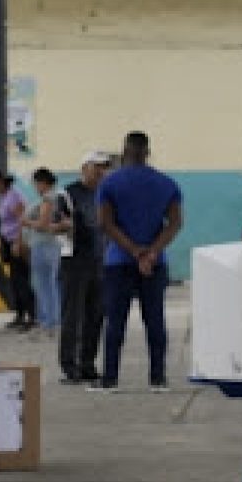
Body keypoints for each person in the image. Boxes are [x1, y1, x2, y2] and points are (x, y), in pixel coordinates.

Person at [96, 131, 183, 393]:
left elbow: (105, 224)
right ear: (147, 152)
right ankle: (157, 378)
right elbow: (175, 223)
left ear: (124, 152)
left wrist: (134, 250)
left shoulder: (110, 184)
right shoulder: (167, 184)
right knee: (155, 319)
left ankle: (110, 379)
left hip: (119, 261)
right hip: (154, 264)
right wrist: (152, 252)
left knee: (115, 321)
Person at [55, 150, 110, 384]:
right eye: (96, 166)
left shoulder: (106, 193)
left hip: (100, 261)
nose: (101, 171)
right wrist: (66, 225)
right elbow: (56, 222)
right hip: (74, 261)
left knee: (95, 315)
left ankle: (88, 363)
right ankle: (70, 365)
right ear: (85, 167)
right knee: (72, 315)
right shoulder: (68, 193)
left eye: (104, 167)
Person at [0, 169, 36, 331]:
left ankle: (32, 316)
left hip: (17, 242)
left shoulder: (14, 196)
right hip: (7, 241)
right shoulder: (3, 196)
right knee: (14, 279)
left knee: (22, 279)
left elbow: (23, 220)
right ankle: (20, 315)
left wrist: (18, 242)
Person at [22, 167, 63, 335]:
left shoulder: (47, 199)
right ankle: (52, 321)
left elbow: (43, 224)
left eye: (36, 183)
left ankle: (48, 322)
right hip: (52, 245)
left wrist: (26, 222)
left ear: (43, 183)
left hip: (43, 245)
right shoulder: (59, 197)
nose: (35, 187)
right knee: (50, 285)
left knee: (44, 285)